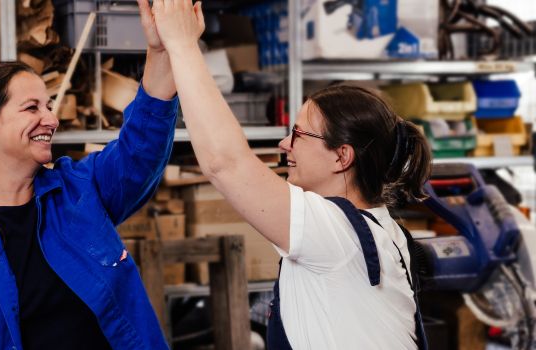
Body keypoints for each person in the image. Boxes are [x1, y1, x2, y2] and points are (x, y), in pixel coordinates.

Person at [0, 5, 187, 348]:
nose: (51, 119)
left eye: (48, 106)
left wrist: (161, 50)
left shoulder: (79, 192)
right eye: (32, 108)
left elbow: (140, 153)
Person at [146, 0, 432, 348]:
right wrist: (164, 49)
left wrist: (184, 44)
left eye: (298, 134)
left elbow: (225, 163)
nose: (284, 144)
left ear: (342, 156)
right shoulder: (374, 228)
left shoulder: (335, 232)